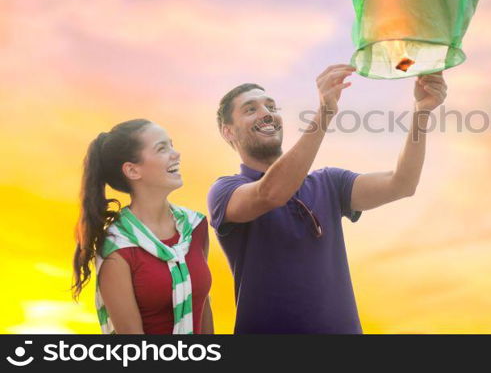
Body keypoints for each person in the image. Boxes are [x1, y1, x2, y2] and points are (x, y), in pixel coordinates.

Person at [208, 64, 447, 333]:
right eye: (251, 109)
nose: (266, 114)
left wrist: (421, 112)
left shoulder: (329, 183)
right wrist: (324, 113)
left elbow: (401, 183)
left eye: (271, 107)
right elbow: (271, 193)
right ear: (228, 131)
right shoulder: (225, 191)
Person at [72, 119, 213, 334]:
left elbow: (202, 307)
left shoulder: (195, 227)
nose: (176, 154)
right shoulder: (117, 249)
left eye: (171, 145)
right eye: (162, 148)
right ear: (132, 171)